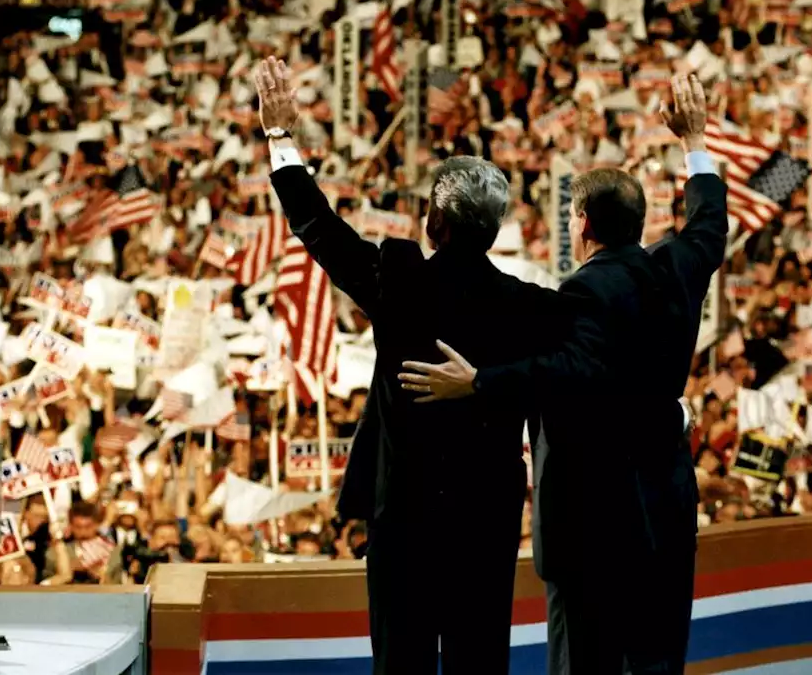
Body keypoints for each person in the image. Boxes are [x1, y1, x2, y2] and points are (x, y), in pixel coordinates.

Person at [400, 73, 727, 675]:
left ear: (581, 224)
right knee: (657, 660)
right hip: (667, 504)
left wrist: (475, 381)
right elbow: (709, 222)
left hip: (590, 520)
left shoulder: (581, 291)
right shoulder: (680, 266)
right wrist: (695, 141)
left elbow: (567, 369)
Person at [253, 55, 565, 675]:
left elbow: (317, 226)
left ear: (436, 222)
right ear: (492, 232)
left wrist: (280, 136)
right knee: (479, 662)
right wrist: (484, 384)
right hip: (486, 521)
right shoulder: (529, 308)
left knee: (402, 663)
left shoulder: (400, 282)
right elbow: (574, 369)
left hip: (405, 520)